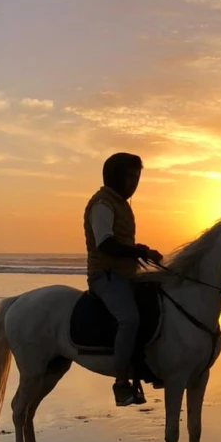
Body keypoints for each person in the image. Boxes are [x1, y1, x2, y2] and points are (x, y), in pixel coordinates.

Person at [84, 153, 164, 406]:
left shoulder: (121, 204)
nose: (134, 182)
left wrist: (141, 251)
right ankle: (121, 384)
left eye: (137, 177)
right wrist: (139, 251)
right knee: (129, 319)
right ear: (114, 176)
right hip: (104, 275)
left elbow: (123, 242)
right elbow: (106, 243)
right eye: (129, 176)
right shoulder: (102, 204)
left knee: (161, 299)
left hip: (126, 274)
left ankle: (152, 366)